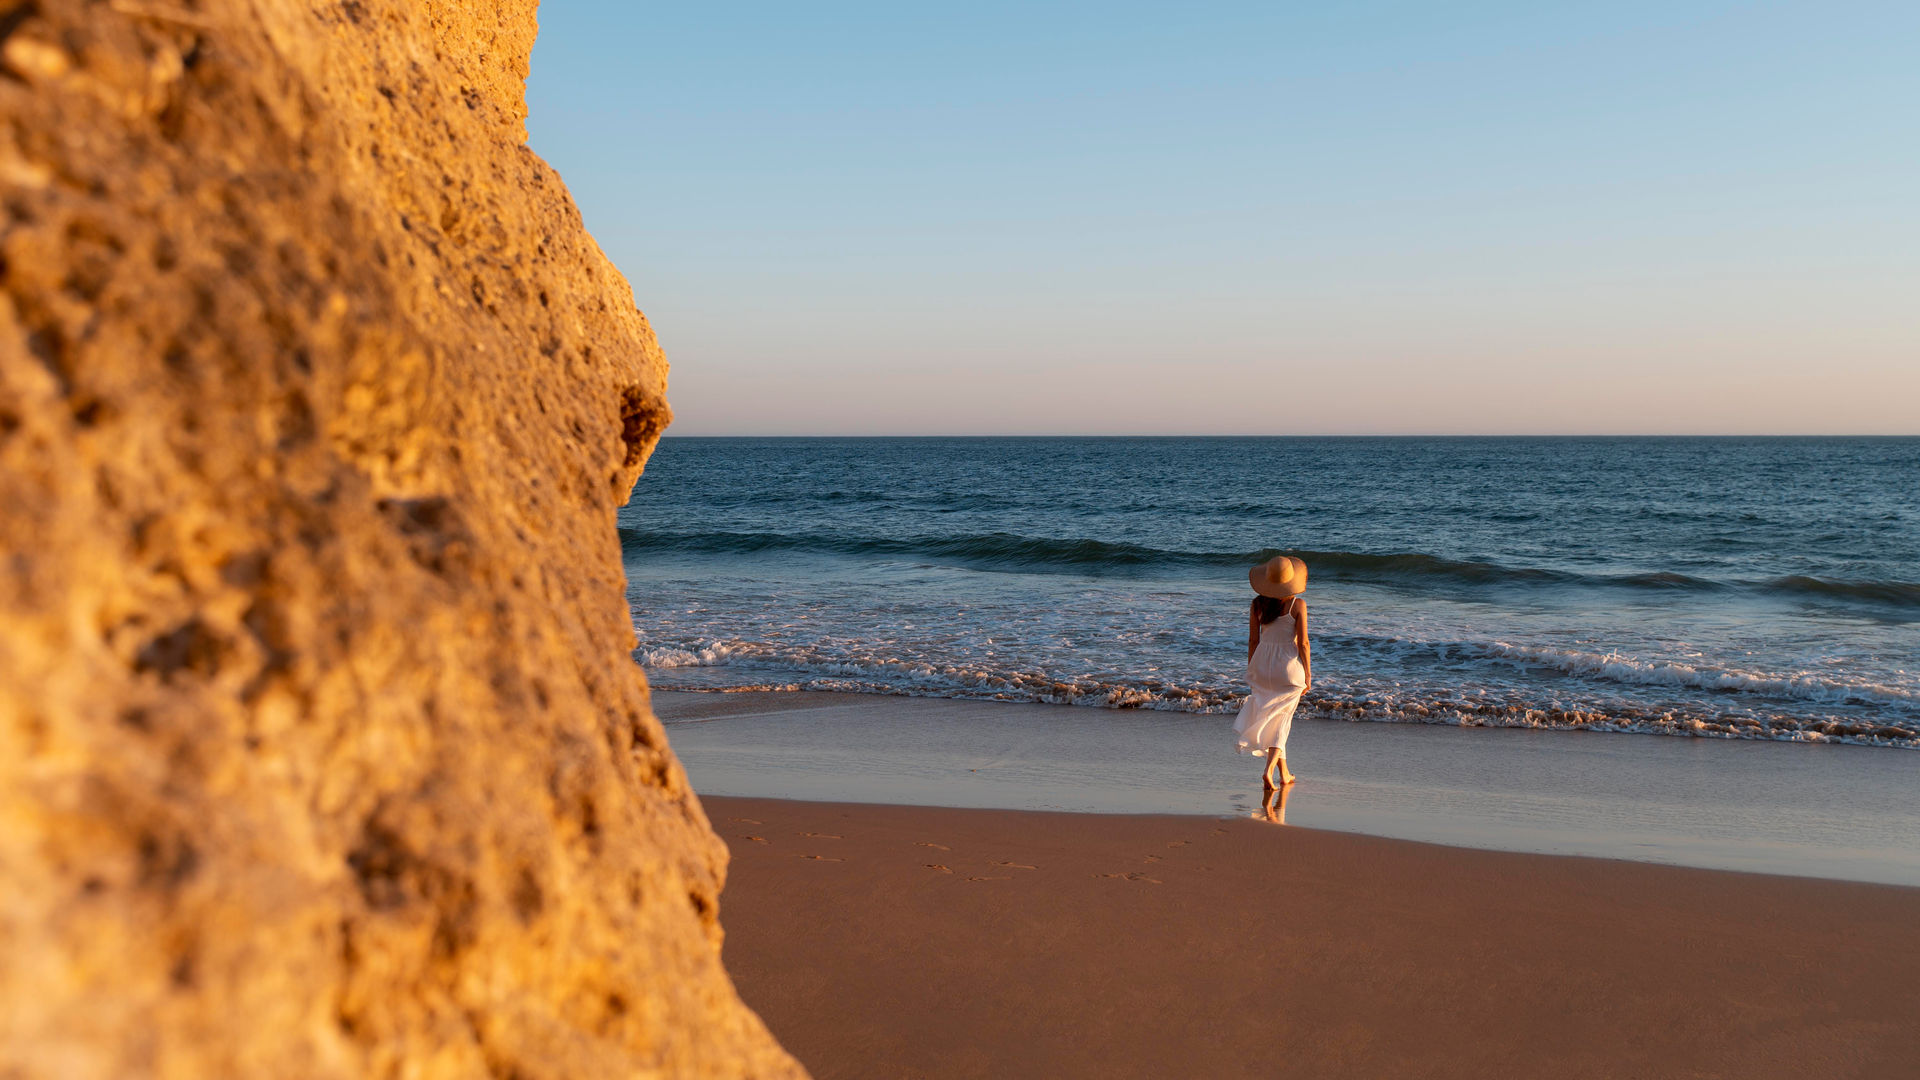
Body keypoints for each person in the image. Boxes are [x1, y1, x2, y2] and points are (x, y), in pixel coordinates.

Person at [1234, 555, 1311, 790]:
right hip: (1287, 668)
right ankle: (1268, 771)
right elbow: (1304, 644)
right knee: (1282, 721)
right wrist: (1308, 675)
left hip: (1262, 665)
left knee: (1274, 718)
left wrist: (1252, 669)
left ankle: (1284, 773)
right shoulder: (1297, 605)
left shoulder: (1257, 605)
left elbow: (1253, 640)